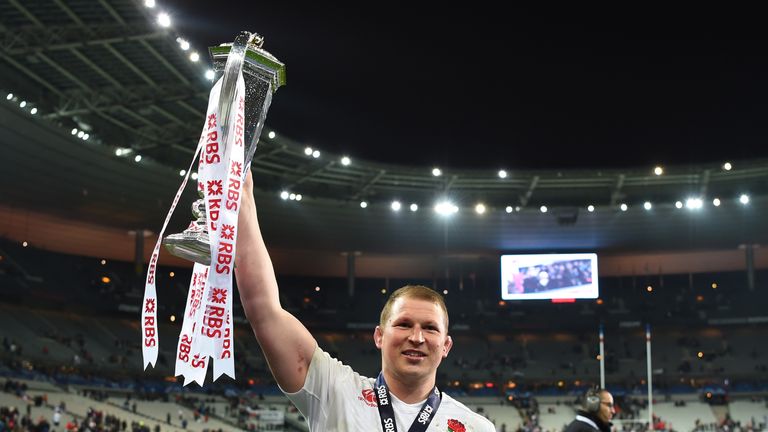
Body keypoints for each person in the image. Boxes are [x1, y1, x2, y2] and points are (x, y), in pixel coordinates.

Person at [235, 171, 495, 431]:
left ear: (446, 345)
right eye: (404, 324)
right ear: (379, 336)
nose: (417, 337)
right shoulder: (335, 391)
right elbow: (264, 310)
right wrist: (242, 197)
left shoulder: (475, 427)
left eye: (430, 328)